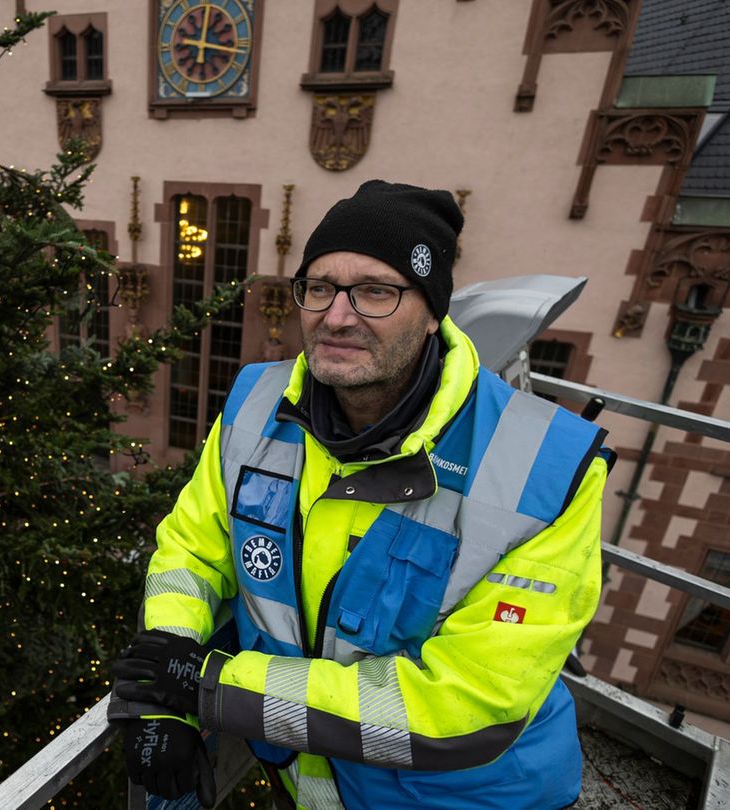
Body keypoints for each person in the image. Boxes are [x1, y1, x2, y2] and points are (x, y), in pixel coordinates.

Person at [111, 180, 609, 809]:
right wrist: (166, 705)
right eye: (319, 287)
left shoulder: (547, 468)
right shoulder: (256, 401)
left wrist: (212, 687)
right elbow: (192, 552)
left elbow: (469, 700)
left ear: (433, 313)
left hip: (467, 798)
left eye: (376, 291)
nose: (337, 316)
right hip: (307, 780)